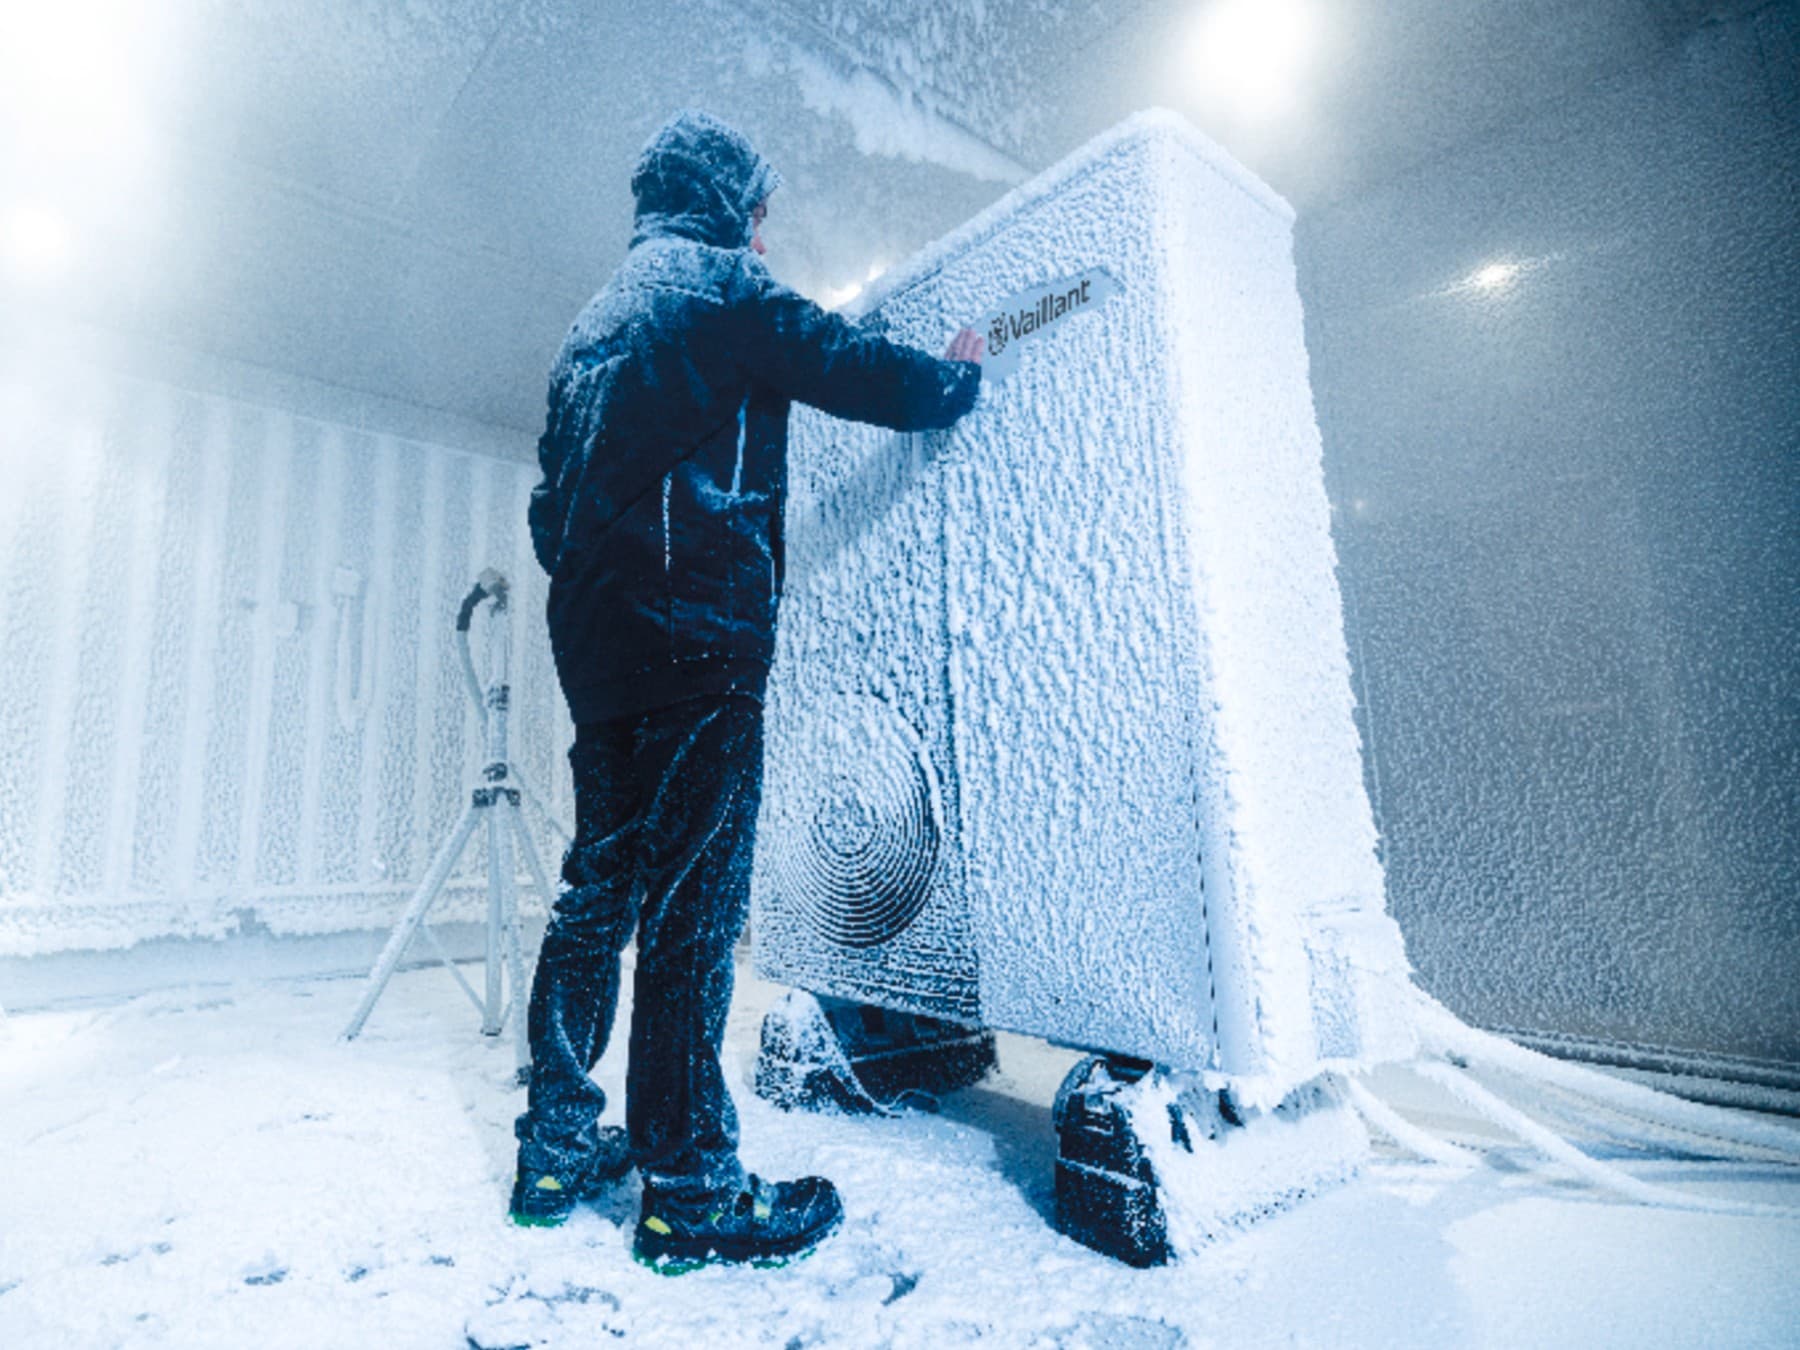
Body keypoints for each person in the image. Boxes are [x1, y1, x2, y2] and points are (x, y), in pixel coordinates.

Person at [514, 108, 984, 1271]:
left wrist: (611, 593)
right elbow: (850, 366)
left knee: (596, 897)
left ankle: (558, 1147)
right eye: (760, 214)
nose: (765, 238)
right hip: (699, 643)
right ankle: (690, 1192)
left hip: (599, 656)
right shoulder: (719, 288)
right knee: (689, 915)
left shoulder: (590, 327)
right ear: (726, 204)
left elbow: (544, 517)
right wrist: (955, 382)